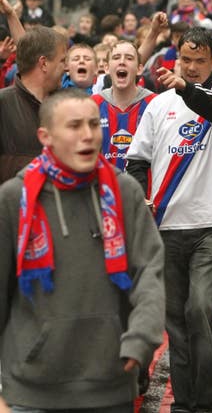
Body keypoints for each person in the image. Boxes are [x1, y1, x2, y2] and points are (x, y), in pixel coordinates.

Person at [0, 88, 165, 410]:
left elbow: (149, 270)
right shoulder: (13, 198)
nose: (88, 135)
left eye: (94, 124)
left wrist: (142, 336)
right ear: (45, 136)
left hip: (110, 384)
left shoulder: (124, 191)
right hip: (29, 391)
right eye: (74, 126)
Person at [127, 26, 212, 412]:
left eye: (200, 61)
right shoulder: (157, 106)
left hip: (211, 224)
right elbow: (138, 160)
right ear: (178, 57)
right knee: (176, 321)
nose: (192, 67)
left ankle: (208, 405)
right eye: (186, 60)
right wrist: (140, 195)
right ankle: (184, 403)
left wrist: (185, 89)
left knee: (200, 309)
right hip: (166, 226)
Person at [0, 24, 66, 184]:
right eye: (62, 61)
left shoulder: (67, 105)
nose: (67, 67)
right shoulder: (3, 104)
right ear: (43, 63)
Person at [93, 40, 155, 171]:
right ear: (106, 68)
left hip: (144, 188)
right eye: (116, 57)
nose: (122, 62)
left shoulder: (155, 103)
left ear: (139, 69)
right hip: (104, 187)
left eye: (129, 58)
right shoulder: (92, 104)